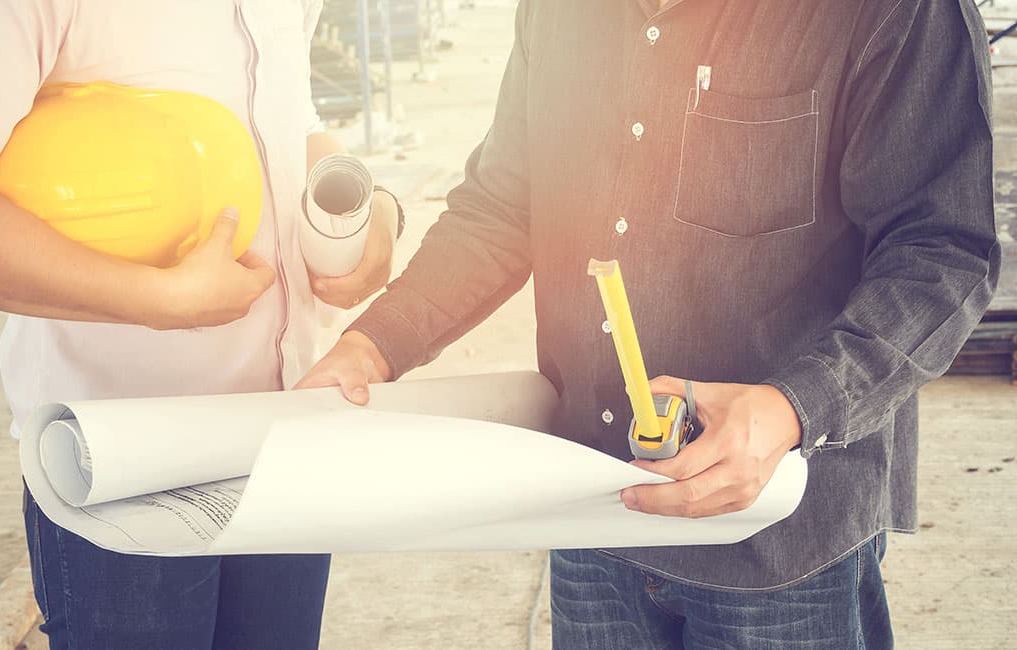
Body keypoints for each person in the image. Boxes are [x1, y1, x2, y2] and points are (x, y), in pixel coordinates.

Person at [297, 0, 1000, 647]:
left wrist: (795, 406)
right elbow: (504, 206)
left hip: (781, 540)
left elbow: (942, 251)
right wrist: (375, 343)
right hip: (594, 506)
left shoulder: (895, 12)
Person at [0, 1, 401, 648]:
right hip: (125, 467)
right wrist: (160, 300)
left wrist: (372, 205)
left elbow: (287, 118)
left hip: (289, 436)